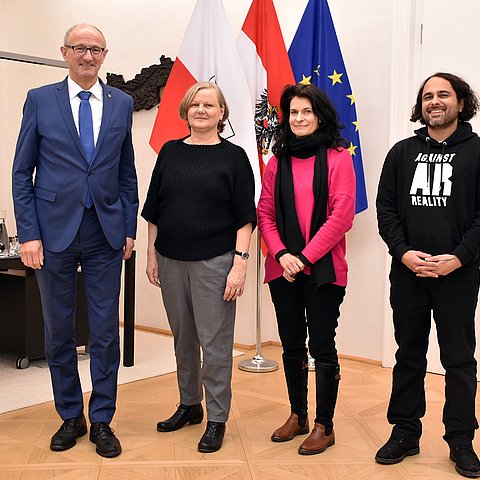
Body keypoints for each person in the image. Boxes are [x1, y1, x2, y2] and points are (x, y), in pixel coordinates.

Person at [12, 24, 138, 458]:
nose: (88, 56)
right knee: (59, 330)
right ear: (64, 52)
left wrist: (128, 228)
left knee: (105, 332)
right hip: (52, 234)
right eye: (80, 48)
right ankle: (70, 414)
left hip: (105, 232)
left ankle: (102, 418)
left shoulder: (122, 103)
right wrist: (28, 233)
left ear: (105, 55)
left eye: (96, 49)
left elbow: (126, 173)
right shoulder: (40, 100)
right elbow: (20, 173)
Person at [141, 81, 256, 453]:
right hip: (171, 260)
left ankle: (217, 418)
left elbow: (245, 218)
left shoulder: (234, 157)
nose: (202, 110)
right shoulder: (170, 152)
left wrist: (239, 265)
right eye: (195, 105)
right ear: (186, 111)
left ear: (222, 113)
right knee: (183, 340)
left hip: (215, 262)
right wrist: (150, 253)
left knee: (215, 343)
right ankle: (189, 405)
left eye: (210, 105)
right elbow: (153, 208)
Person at [376, 72, 480, 478]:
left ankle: (460, 440)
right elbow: (386, 211)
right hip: (408, 274)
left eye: (443, 95)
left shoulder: (476, 152)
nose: (434, 101)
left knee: (458, 360)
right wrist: (403, 254)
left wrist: (457, 257)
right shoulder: (401, 153)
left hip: (459, 274)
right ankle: (405, 432)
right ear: (420, 106)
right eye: (427, 96)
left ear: (460, 102)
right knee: (408, 355)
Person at [257, 83, 356, 455]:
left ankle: (323, 424)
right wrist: (283, 254)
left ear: (320, 116)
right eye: (293, 113)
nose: (299, 119)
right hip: (281, 267)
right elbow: (264, 212)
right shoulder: (276, 160)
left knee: (322, 345)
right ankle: (298, 415)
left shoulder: (337, 158)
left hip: (324, 268)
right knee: (292, 343)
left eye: (306, 112)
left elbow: (341, 216)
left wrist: (305, 257)